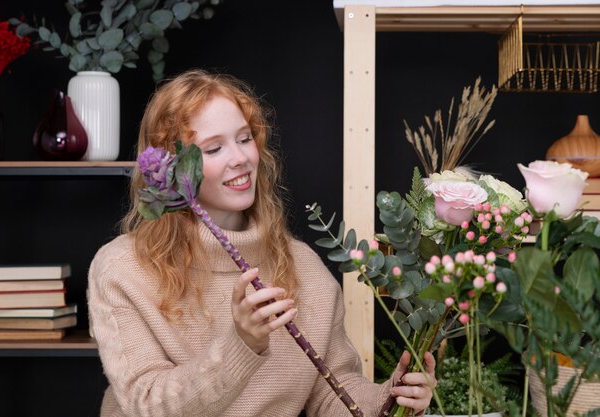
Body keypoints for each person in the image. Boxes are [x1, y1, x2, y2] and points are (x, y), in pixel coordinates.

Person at [87, 69, 436, 417]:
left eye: (244, 138)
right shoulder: (122, 269)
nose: (240, 158)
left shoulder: (302, 267)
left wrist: (390, 400)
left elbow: (330, 394)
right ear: (175, 169)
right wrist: (242, 345)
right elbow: (146, 404)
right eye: (213, 148)